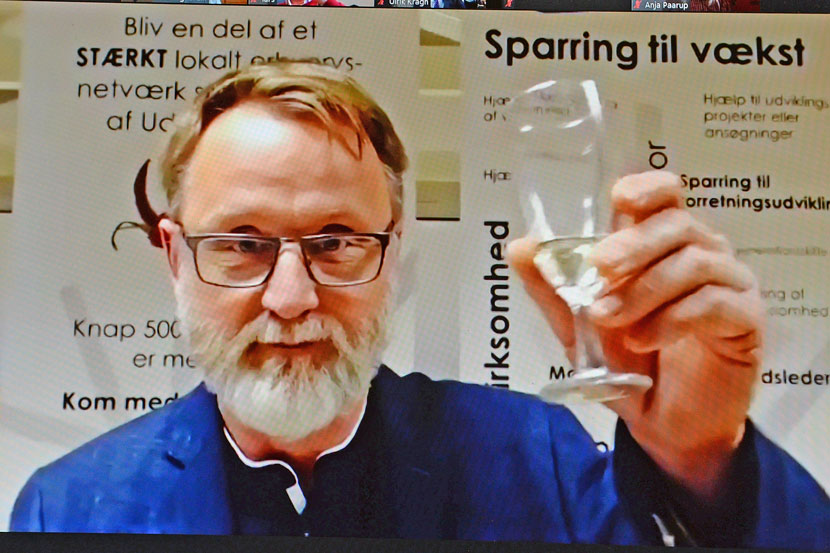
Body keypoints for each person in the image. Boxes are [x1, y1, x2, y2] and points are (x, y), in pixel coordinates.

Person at [10, 60, 829, 546]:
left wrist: (705, 460)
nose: (291, 298)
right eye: (243, 244)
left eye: (336, 241)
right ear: (174, 256)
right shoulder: (70, 506)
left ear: (394, 251)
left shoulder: (534, 457)